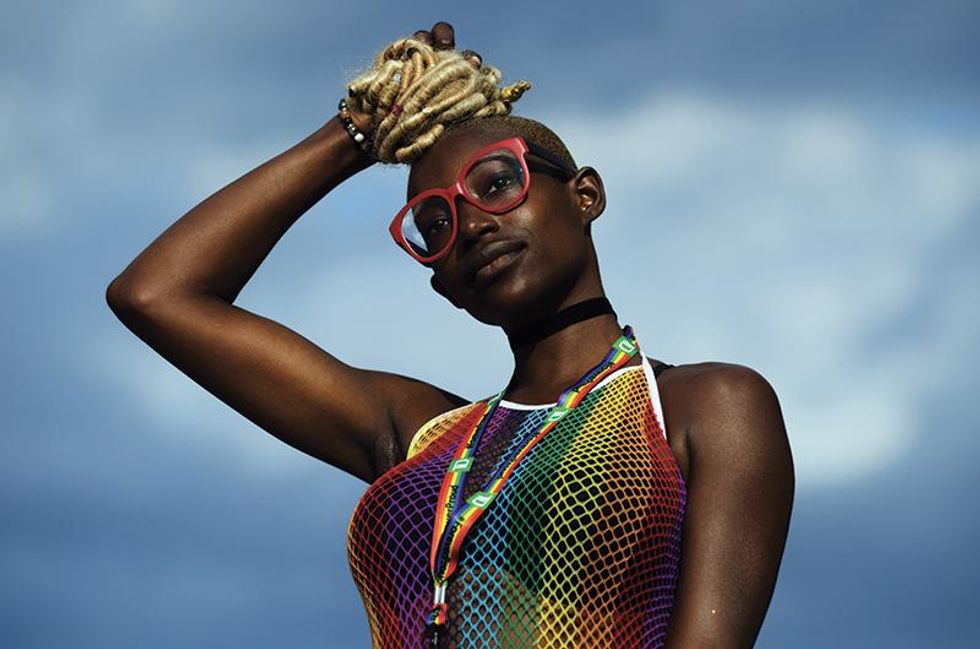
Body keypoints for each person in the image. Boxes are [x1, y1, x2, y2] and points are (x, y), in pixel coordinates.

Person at [106, 22, 793, 649]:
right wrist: (356, 133)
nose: (473, 224)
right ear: (444, 285)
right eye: (436, 225)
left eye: (498, 184)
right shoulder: (428, 437)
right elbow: (155, 295)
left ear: (585, 195)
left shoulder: (707, 405)